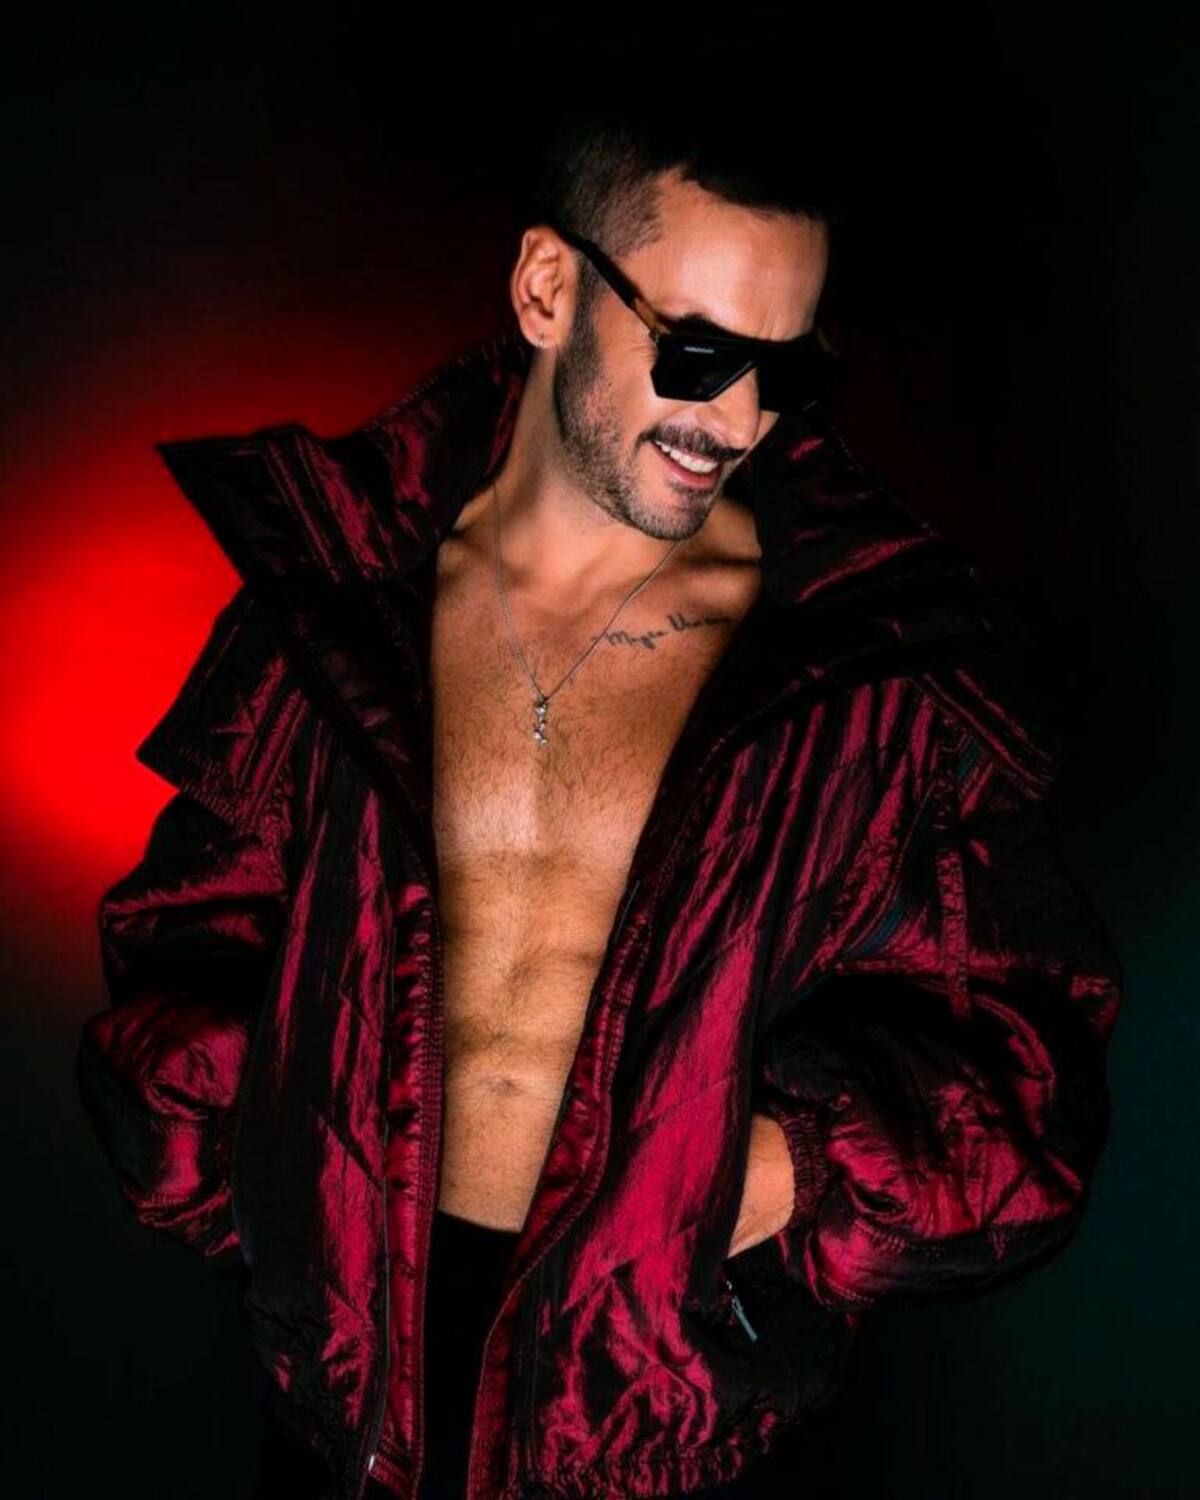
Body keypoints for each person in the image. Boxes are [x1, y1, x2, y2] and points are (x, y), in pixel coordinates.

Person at [77, 84, 1123, 1500]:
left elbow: (1026, 1072)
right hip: (339, 1403)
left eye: (785, 371)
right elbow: (188, 936)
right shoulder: (338, 607)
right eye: (698, 352)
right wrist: (277, 1201)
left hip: (651, 1412)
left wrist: (776, 1177)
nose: (738, 416)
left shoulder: (866, 682)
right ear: (547, 288)